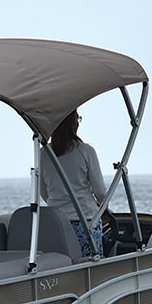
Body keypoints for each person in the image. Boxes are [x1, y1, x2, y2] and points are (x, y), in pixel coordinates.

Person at [39, 110, 106, 257]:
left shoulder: (43, 154)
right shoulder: (86, 151)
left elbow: (42, 190)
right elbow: (100, 192)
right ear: (73, 124)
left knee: (63, 263)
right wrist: (103, 207)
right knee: (89, 265)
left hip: (57, 222)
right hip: (86, 220)